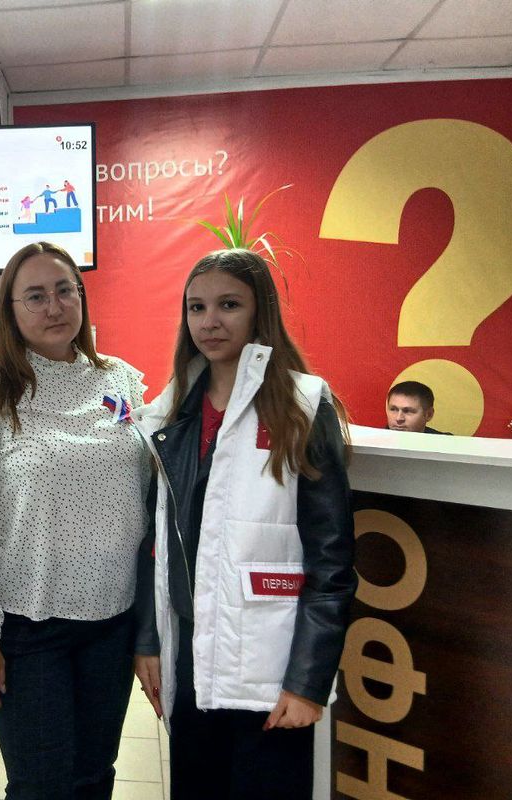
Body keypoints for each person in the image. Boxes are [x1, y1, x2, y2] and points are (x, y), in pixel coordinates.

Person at [130, 249, 357, 800]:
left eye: (228, 305)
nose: (210, 321)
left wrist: (307, 682)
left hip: (268, 667)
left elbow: (331, 561)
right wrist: (149, 640)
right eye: (197, 307)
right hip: (190, 655)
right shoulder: (172, 411)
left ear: (261, 311)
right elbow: (157, 542)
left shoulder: (302, 405)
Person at [0, 241, 150, 800]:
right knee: (40, 787)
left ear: (81, 297)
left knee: (93, 777)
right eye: (34, 296)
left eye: (64, 291)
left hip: (112, 621)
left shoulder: (120, 381)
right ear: (10, 310)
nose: (54, 306)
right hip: (30, 628)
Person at [386, 380, 450, 434]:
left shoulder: (448, 442)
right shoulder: (379, 440)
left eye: (407, 411)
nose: (398, 418)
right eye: (393, 409)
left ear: (429, 415)